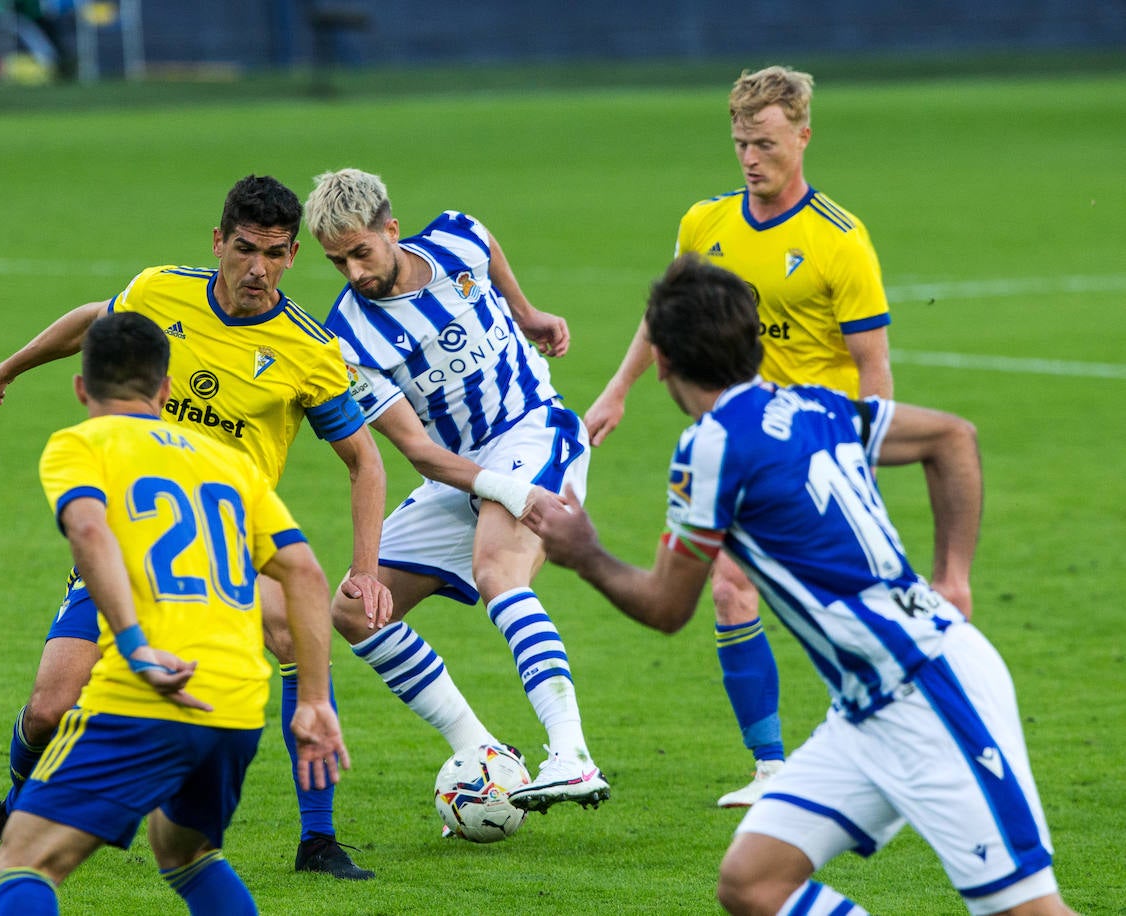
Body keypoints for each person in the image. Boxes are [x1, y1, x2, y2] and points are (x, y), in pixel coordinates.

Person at [525, 253, 1076, 915]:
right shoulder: (815, 405)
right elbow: (952, 438)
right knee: (753, 884)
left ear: (663, 362)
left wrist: (584, 553)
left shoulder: (711, 445)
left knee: (1029, 912)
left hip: (930, 692)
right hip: (866, 707)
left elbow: (668, 608)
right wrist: (951, 575)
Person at [0, 175, 387, 881]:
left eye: (274, 253)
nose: (257, 269)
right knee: (52, 709)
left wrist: (364, 568)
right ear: (218, 241)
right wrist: (7, 369)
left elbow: (365, 461)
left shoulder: (308, 349)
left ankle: (318, 839)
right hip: (126, 546)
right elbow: (97, 322)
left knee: (295, 632)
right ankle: (14, 805)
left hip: (229, 551)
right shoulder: (160, 290)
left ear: (294, 253)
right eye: (244, 249)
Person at [582, 65, 894, 807]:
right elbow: (665, 314)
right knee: (728, 589)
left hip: (814, 446)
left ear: (803, 137)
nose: (751, 158)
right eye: (740, 144)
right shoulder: (705, 224)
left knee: (834, 604)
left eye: (765, 143)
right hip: (732, 440)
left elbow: (872, 365)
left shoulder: (840, 242)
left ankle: (872, 740)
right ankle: (772, 768)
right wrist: (619, 387)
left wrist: (868, 460)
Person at [0, 311, 349, 914]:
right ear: (166, 390)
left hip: (145, 691)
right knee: (187, 855)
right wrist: (312, 699)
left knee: (19, 864)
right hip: (235, 704)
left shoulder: (80, 444)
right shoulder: (228, 463)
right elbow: (305, 573)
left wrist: (132, 645)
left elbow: (87, 528)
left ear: (82, 388)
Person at [301, 168, 609, 814]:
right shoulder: (349, 340)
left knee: (499, 570)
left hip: (535, 428)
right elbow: (417, 451)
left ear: (392, 229)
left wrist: (527, 314)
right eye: (337, 261)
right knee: (356, 610)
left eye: (362, 252)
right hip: (460, 471)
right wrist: (505, 492)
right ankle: (484, 750)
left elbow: (485, 241)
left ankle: (572, 756)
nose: (353, 272)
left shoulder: (455, 239)